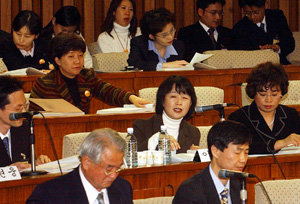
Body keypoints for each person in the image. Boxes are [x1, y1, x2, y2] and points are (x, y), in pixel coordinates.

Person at [30, 32, 149, 114]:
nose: (77, 61)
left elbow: (108, 91)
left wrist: (131, 97)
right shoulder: (45, 84)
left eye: (80, 55)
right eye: (71, 56)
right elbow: (33, 117)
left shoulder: (86, 76)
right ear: (58, 60)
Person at [27, 128, 133, 204]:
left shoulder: (122, 188)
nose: (114, 175)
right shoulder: (50, 194)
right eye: (109, 169)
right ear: (86, 162)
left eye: (118, 168)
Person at [228, 62, 300, 154]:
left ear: (281, 94)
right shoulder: (239, 117)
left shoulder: (291, 115)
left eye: (274, 95)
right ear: (253, 93)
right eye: (263, 94)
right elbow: (237, 147)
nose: (268, 100)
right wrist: (279, 143)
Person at [173, 120, 252, 203]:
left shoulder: (238, 184)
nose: (243, 159)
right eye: (237, 152)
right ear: (215, 151)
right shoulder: (190, 191)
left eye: (246, 152)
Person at [133, 75, 200, 153]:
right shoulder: (142, 126)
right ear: (162, 100)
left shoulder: (193, 132)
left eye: (184, 98)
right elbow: (134, 156)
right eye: (173, 96)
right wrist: (155, 139)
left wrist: (193, 155)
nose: (179, 102)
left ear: (191, 103)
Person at [0, 76, 50, 170]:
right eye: (18, 108)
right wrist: (8, 170)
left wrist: (36, 164)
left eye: (25, 106)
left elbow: (25, 163)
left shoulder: (23, 128)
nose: (23, 112)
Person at [233, 0, 295, 65]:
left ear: (266, 5)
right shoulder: (240, 28)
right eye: (247, 13)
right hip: (255, 68)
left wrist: (277, 48)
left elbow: (290, 43)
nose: (252, 17)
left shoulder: (277, 17)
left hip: (280, 64)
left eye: (256, 12)